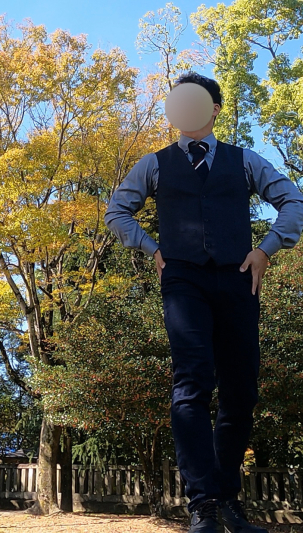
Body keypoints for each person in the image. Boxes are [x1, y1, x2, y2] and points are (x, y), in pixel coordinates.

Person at [104, 71, 303, 533]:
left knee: (240, 389)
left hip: (238, 279)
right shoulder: (154, 164)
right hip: (183, 280)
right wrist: (152, 249)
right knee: (191, 383)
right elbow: (117, 211)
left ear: (213, 109)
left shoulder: (245, 160)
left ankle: (228, 500)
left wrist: (266, 249)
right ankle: (203, 506)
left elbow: (294, 201)